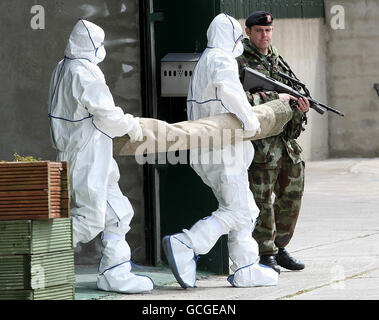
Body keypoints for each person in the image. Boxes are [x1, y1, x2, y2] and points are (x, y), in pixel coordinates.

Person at [162, 13, 281, 289]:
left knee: (244, 209)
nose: (240, 42)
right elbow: (230, 92)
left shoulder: (206, 59)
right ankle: (186, 243)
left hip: (212, 151)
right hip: (223, 151)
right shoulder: (221, 59)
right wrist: (251, 123)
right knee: (238, 211)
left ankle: (246, 267)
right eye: (238, 36)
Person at [48, 19, 154, 293]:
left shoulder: (63, 67)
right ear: (92, 45)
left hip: (90, 152)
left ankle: (115, 274)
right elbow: (107, 114)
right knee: (91, 219)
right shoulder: (85, 72)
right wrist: (132, 125)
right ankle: (36, 247)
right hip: (87, 155)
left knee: (119, 213)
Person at [236, 11, 309, 273]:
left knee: (292, 194)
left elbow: (294, 91)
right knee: (262, 200)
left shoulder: (276, 59)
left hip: (284, 143)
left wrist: (299, 106)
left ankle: (279, 246)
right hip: (261, 144)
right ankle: (265, 253)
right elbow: (239, 102)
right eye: (259, 31)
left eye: (268, 31)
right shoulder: (239, 61)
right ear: (248, 32)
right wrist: (274, 98)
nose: (264, 35)